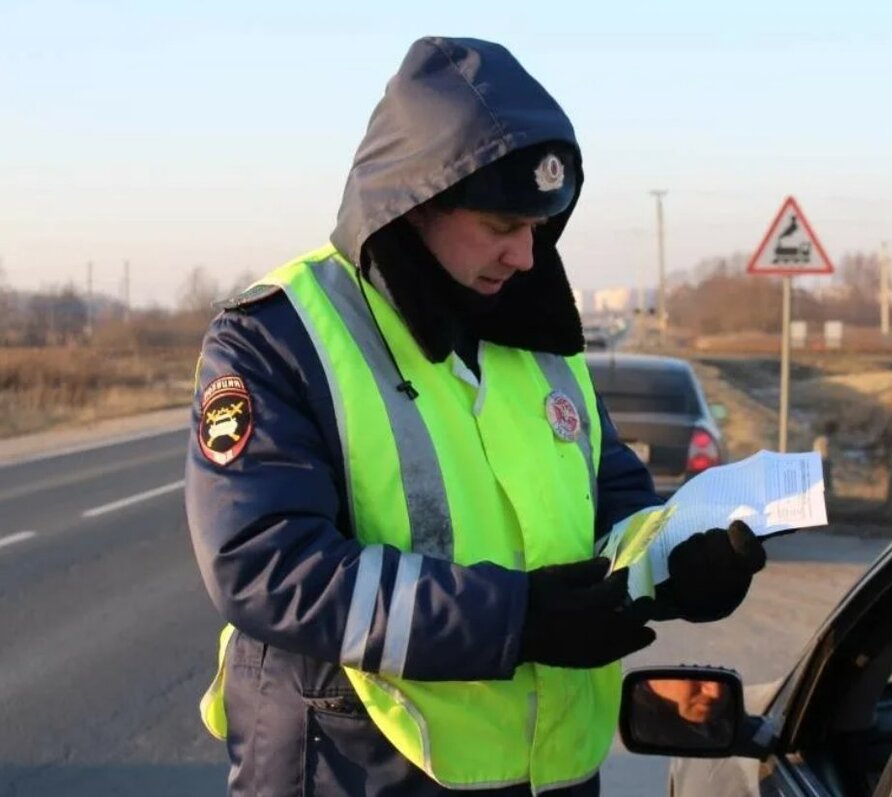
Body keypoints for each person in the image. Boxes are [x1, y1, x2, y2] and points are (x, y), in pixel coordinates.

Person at [184, 36, 767, 797]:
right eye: (501, 227)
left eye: (540, 227)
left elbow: (610, 497)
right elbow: (267, 564)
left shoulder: (537, 330)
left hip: (553, 770)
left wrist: (676, 565)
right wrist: (518, 621)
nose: (526, 256)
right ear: (414, 205)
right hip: (362, 769)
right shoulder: (281, 334)